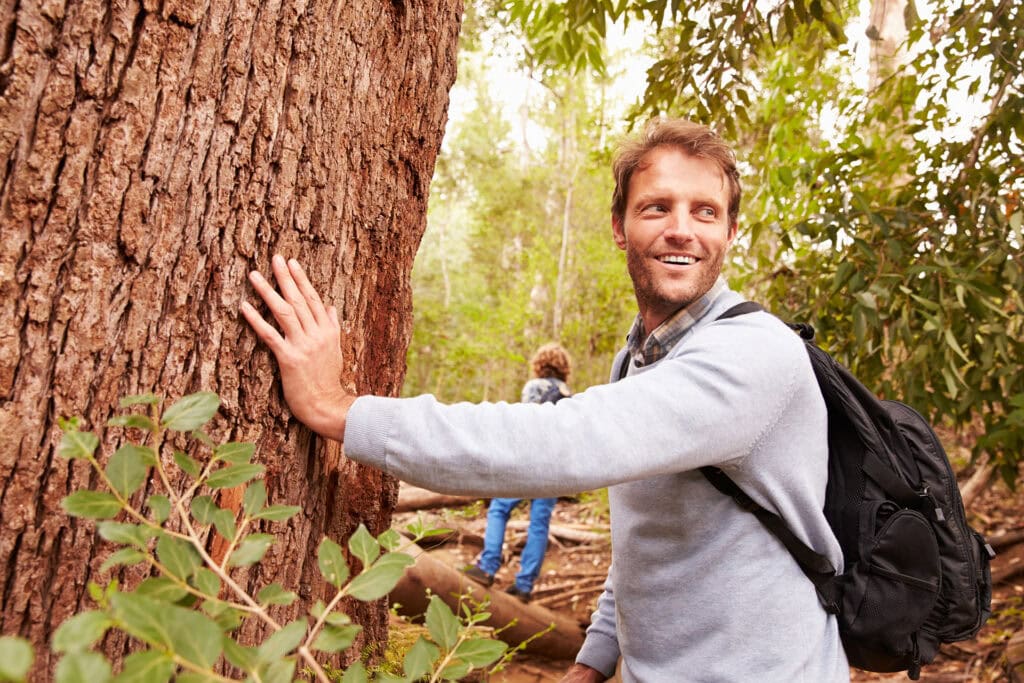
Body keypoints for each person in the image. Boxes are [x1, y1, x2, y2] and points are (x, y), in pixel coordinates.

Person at [240, 118, 849, 682]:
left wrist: (336, 407)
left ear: (730, 231)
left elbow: (563, 442)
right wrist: (598, 652)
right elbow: (650, 531)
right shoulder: (641, 356)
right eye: (656, 207)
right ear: (619, 227)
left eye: (705, 211)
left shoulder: (753, 355)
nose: (681, 228)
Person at [462, 343, 573, 602]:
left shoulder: (534, 388)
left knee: (500, 508)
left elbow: (527, 424)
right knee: (539, 523)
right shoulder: (568, 392)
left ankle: (488, 567)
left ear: (539, 364)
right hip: (554, 467)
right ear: (564, 367)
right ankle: (524, 585)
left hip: (530, 461)